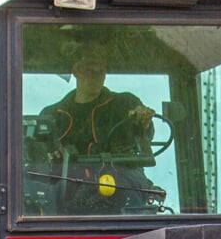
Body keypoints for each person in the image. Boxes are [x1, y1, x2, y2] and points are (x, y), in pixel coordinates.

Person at [29, 51, 160, 213]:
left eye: (101, 71)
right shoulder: (53, 115)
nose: (95, 76)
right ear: (76, 71)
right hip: (67, 190)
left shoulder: (125, 103)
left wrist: (144, 121)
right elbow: (38, 156)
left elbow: (143, 135)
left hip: (123, 184)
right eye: (90, 70)